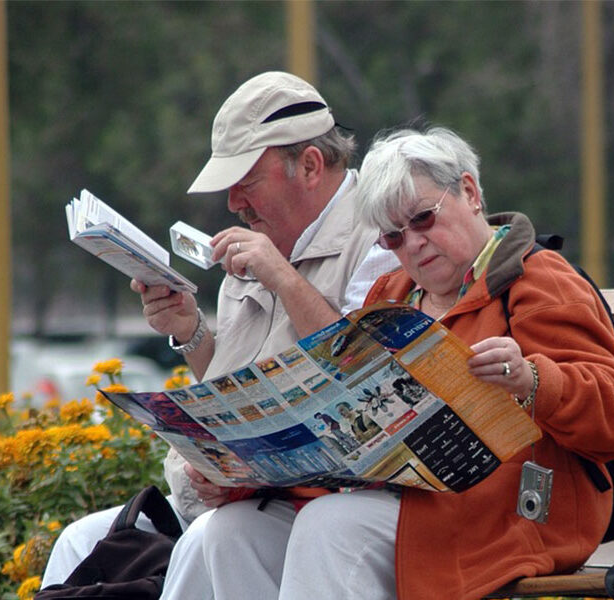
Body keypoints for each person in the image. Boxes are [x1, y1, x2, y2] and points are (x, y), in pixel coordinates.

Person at [160, 126, 614, 599]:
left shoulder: (534, 279)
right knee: (232, 532)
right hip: (398, 503)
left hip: (509, 513)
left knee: (332, 527)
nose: (412, 243)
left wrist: (532, 378)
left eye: (423, 219)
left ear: (470, 192)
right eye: (392, 237)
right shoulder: (389, 296)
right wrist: (240, 477)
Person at [41, 71, 398, 587]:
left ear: (311, 166)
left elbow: (361, 377)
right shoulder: (257, 243)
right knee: (78, 542)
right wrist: (191, 333)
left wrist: (281, 274)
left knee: (215, 537)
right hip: (224, 496)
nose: (233, 203)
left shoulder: (380, 233)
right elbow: (232, 386)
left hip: (304, 504)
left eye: (245, 183)